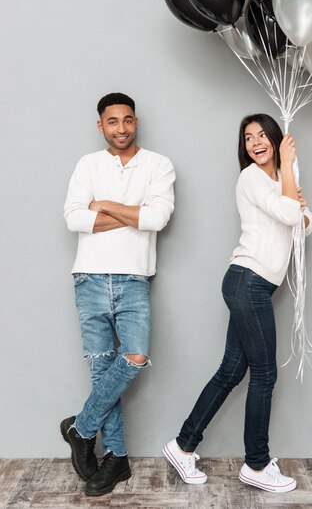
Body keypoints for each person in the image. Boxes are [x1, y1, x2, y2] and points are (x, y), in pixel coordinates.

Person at [163, 113, 312, 494]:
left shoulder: (278, 180)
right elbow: (291, 213)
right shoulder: (250, 178)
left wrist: (290, 182)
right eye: (249, 138)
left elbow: (306, 223)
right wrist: (290, 174)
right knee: (264, 375)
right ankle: (257, 465)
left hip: (251, 285)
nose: (256, 142)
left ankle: (182, 446)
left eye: (263, 135)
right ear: (244, 147)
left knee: (232, 371)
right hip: (249, 282)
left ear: (277, 138)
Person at [61, 92, 175, 496]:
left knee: (135, 356)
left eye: (127, 121)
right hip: (89, 279)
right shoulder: (87, 164)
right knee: (101, 371)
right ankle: (117, 459)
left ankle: (81, 427)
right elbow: (74, 217)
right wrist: (132, 215)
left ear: (136, 122)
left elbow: (157, 218)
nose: (121, 129)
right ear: (101, 126)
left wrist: (105, 206)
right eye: (113, 122)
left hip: (133, 279)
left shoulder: (158, 164)